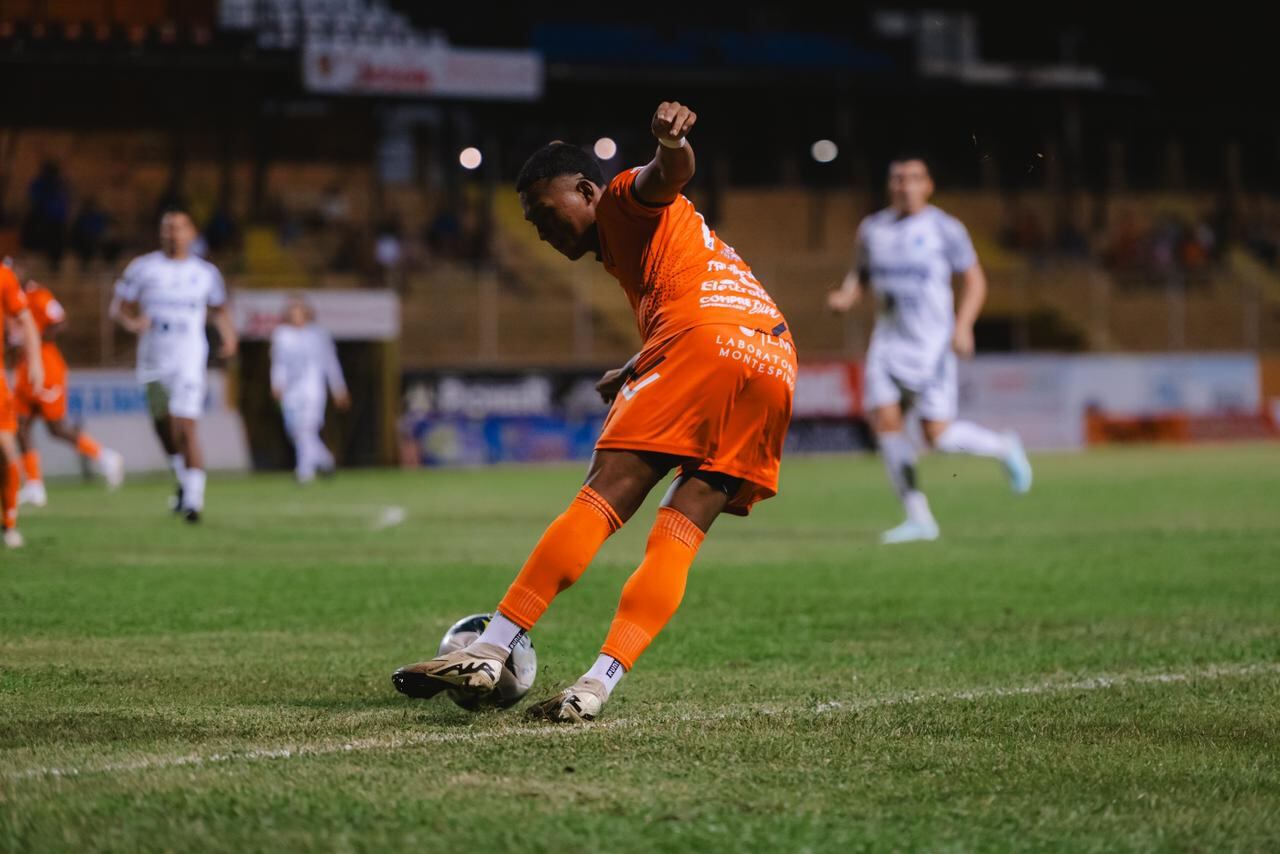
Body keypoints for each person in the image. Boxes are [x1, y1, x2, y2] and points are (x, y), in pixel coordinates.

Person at [393, 101, 797, 723]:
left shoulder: (618, 203)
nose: (540, 231)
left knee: (604, 496)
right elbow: (706, 301)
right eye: (530, 223)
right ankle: (596, 685)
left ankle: (492, 646)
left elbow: (666, 175)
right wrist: (639, 364)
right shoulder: (642, 249)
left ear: (584, 190)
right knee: (679, 535)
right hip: (772, 360)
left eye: (544, 213)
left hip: (700, 342)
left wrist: (669, 144)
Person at [827, 155, 1032, 544]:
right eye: (898, 178)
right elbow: (861, 272)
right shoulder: (872, 229)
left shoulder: (945, 229)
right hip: (886, 345)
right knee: (885, 423)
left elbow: (975, 281)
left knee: (936, 436)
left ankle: (1004, 447)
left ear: (928, 185)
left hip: (931, 348)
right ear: (890, 185)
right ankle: (919, 517)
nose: (905, 185)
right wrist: (847, 295)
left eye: (913, 178)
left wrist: (964, 325)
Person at [111, 210, 238, 523]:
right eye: (167, 228)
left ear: (192, 233)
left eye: (179, 228)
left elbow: (219, 308)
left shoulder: (205, 273)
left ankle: (194, 500)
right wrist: (132, 322)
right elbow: (118, 308)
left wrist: (229, 337)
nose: (173, 234)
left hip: (188, 356)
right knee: (162, 425)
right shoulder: (143, 268)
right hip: (153, 356)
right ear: (160, 233)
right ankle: (182, 479)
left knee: (185, 425)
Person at [8, 262, 125, 507]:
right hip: (23, 368)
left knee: (56, 427)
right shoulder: (6, 298)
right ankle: (35, 485)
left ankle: (106, 458)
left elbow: (60, 321)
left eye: (13, 269)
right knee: (20, 425)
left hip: (46, 366)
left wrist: (33, 339)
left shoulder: (37, 295)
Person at [270, 295, 349, 483]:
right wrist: (276, 383)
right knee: (296, 431)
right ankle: (325, 460)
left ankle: (304, 472)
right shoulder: (281, 335)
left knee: (307, 427)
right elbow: (279, 363)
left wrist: (339, 388)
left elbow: (330, 363)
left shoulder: (318, 335)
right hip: (291, 390)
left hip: (313, 388)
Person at [0, 260, 44, 549]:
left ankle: (9, 522)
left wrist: (36, 361)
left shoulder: (3, 276)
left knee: (6, 449)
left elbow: (26, 318)